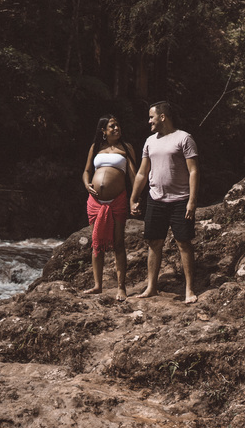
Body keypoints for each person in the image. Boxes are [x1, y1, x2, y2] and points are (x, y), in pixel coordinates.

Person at [129, 101, 200, 303]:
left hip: (180, 200)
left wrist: (192, 201)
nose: (149, 121)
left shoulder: (184, 138)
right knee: (154, 242)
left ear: (162, 117)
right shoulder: (150, 141)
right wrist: (133, 198)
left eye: (151, 117)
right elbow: (142, 173)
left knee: (183, 243)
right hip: (155, 199)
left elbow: (194, 171)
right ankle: (151, 287)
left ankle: (189, 290)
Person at [81, 115, 138, 299]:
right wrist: (87, 184)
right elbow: (87, 171)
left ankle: (121, 287)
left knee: (118, 243)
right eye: (112, 126)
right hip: (95, 202)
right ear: (103, 131)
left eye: (118, 125)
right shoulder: (96, 147)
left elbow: (133, 176)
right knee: (96, 243)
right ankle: (98, 285)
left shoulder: (126, 148)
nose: (116, 128)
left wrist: (134, 199)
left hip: (117, 200)